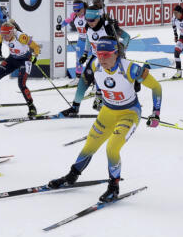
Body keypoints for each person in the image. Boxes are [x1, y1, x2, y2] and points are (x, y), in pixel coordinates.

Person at [46, 36, 162, 203]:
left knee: (112, 148)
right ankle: (71, 176)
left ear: (116, 54)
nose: (102, 58)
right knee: (90, 145)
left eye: (106, 55)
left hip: (129, 113)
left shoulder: (130, 69)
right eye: (99, 54)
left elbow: (156, 87)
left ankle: (113, 187)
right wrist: (76, 105)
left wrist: (156, 113)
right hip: (107, 112)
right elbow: (84, 83)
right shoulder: (95, 65)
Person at [59, 4, 132, 116]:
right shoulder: (88, 26)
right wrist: (85, 53)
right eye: (87, 20)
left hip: (110, 59)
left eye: (92, 20)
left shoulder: (108, 27)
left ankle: (122, 105)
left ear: (98, 18)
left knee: (111, 83)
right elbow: (89, 39)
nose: (90, 22)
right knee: (83, 81)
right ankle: (75, 107)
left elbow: (127, 37)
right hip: (95, 58)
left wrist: (121, 48)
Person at [0, 22, 40, 117]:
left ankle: (32, 106)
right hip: (12, 59)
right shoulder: (2, 35)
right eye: (3, 35)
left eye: (6, 35)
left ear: (12, 32)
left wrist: (35, 56)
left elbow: (36, 47)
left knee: (21, 84)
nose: (4, 37)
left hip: (25, 60)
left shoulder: (21, 37)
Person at [56, 1, 88, 84]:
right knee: (78, 60)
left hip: (90, 41)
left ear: (83, 9)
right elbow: (67, 20)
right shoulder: (74, 16)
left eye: (78, 10)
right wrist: (61, 25)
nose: (77, 12)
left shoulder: (88, 15)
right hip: (81, 40)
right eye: (75, 10)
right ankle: (77, 79)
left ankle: (93, 80)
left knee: (91, 61)